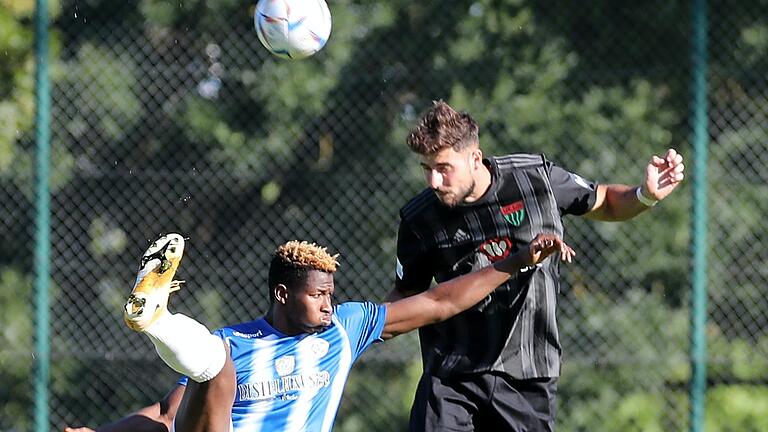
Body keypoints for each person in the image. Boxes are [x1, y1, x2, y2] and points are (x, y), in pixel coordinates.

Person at [65, 229, 575, 432]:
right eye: (318, 294)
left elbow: (439, 302)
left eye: (332, 293)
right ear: (283, 295)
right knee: (216, 364)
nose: (330, 304)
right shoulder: (238, 342)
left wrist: (514, 262)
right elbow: (166, 415)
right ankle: (157, 319)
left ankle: (158, 320)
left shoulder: (345, 328)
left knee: (211, 361)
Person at [387, 100, 685, 431]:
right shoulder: (420, 218)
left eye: (443, 168)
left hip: (527, 374)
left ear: (474, 157)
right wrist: (358, 327)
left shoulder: (536, 180)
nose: (434, 182)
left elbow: (605, 202)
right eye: (426, 169)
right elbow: (407, 292)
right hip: (450, 376)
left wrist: (645, 194)